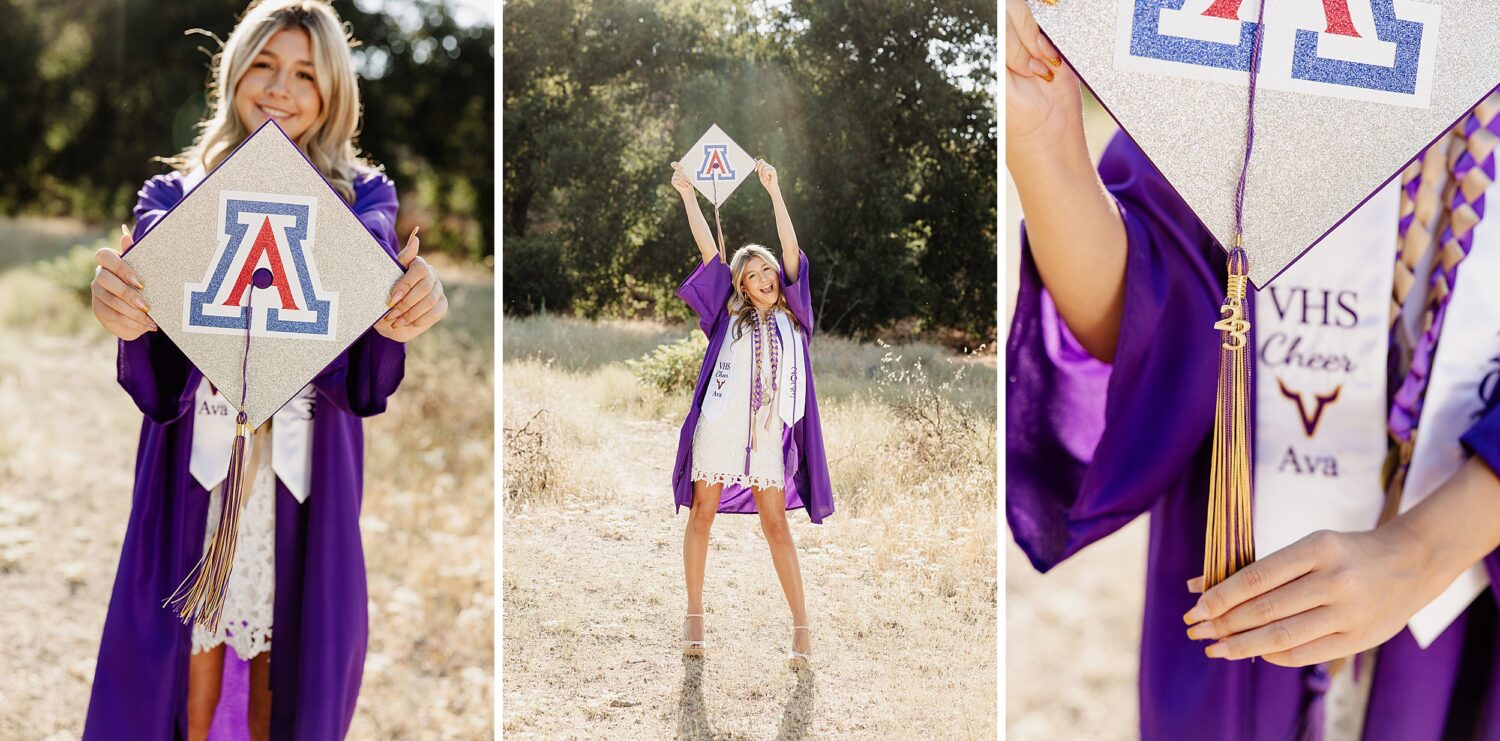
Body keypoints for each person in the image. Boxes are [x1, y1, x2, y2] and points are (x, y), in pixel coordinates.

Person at [1004, 0, 1500, 738]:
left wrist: (1420, 551)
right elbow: (1156, 314)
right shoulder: (1270, 16)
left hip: (1469, 583)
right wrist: (1044, 146)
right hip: (1247, 548)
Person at [83, 1, 448, 738]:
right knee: (188, 652)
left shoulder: (361, 200)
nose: (281, 87)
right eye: (264, 64)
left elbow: (369, 351)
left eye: (306, 73)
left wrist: (410, 298)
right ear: (234, 72)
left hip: (301, 476)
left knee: (286, 668)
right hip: (198, 473)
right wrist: (121, 305)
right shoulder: (175, 196)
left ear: (333, 92)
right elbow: (153, 364)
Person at [667, 157, 835, 668]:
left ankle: (802, 629)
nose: (763, 276)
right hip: (720, 428)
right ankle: (694, 617)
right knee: (701, 515)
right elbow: (708, 250)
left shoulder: (794, 315)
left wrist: (774, 191)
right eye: (752, 273)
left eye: (767, 270)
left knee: (777, 526)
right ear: (740, 285)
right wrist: (688, 195)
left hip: (768, 435)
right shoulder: (726, 316)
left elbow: (790, 248)